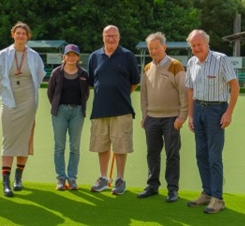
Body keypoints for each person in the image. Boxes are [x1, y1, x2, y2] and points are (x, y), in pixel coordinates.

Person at [185, 29, 239, 214]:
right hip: (198, 110)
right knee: (201, 155)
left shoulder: (220, 59)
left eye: (199, 44)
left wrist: (229, 113)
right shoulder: (191, 62)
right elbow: (190, 90)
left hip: (216, 111)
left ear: (207, 43)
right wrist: (191, 116)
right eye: (193, 45)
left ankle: (218, 198)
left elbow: (234, 86)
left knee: (214, 156)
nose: (196, 48)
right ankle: (206, 193)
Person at [0, 21, 46, 197]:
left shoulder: (34, 56)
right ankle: (5, 181)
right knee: (8, 139)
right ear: (13, 35)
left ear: (28, 36)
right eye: (18, 33)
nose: (21, 36)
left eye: (24, 33)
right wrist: (4, 97)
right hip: (9, 98)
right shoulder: (2, 55)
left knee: (25, 138)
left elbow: (39, 76)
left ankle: (18, 178)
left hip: (27, 99)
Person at [88, 25, 140, 195]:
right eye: (107, 35)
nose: (111, 38)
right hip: (100, 110)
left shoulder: (127, 56)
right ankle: (103, 178)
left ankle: (120, 179)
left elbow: (134, 82)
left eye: (114, 35)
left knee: (120, 146)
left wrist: (121, 94)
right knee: (101, 146)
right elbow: (92, 82)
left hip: (121, 109)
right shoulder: (94, 57)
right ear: (103, 37)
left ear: (119, 37)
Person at [137, 32, 188, 202]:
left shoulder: (176, 65)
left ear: (164, 47)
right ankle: (152, 186)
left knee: (172, 154)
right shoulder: (147, 68)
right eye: (150, 48)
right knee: (152, 153)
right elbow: (143, 95)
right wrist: (145, 116)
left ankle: (172, 189)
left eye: (156, 48)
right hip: (151, 118)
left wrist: (182, 116)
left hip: (172, 118)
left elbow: (184, 93)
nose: (153, 51)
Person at [47, 44, 90, 191]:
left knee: (74, 147)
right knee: (59, 147)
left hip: (77, 112)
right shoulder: (56, 73)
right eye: (69, 55)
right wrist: (57, 106)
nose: (71, 57)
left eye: (74, 55)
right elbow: (50, 93)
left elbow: (86, 94)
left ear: (78, 57)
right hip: (60, 112)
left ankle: (72, 179)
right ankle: (60, 179)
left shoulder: (83, 74)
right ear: (64, 57)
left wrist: (79, 108)